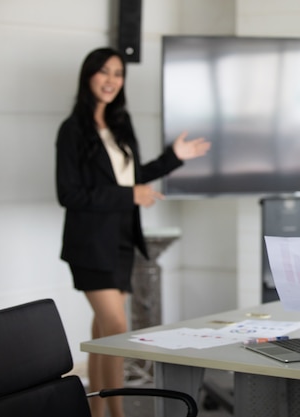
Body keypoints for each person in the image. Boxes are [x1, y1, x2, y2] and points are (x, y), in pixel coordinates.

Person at [55, 47, 210, 417]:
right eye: (104, 72)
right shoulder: (73, 130)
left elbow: (133, 177)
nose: (111, 80)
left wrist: (174, 157)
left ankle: (96, 412)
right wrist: (130, 194)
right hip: (90, 244)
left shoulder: (120, 126)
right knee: (117, 329)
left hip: (122, 241)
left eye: (118, 73)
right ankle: (119, 414)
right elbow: (69, 193)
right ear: (88, 75)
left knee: (103, 337)